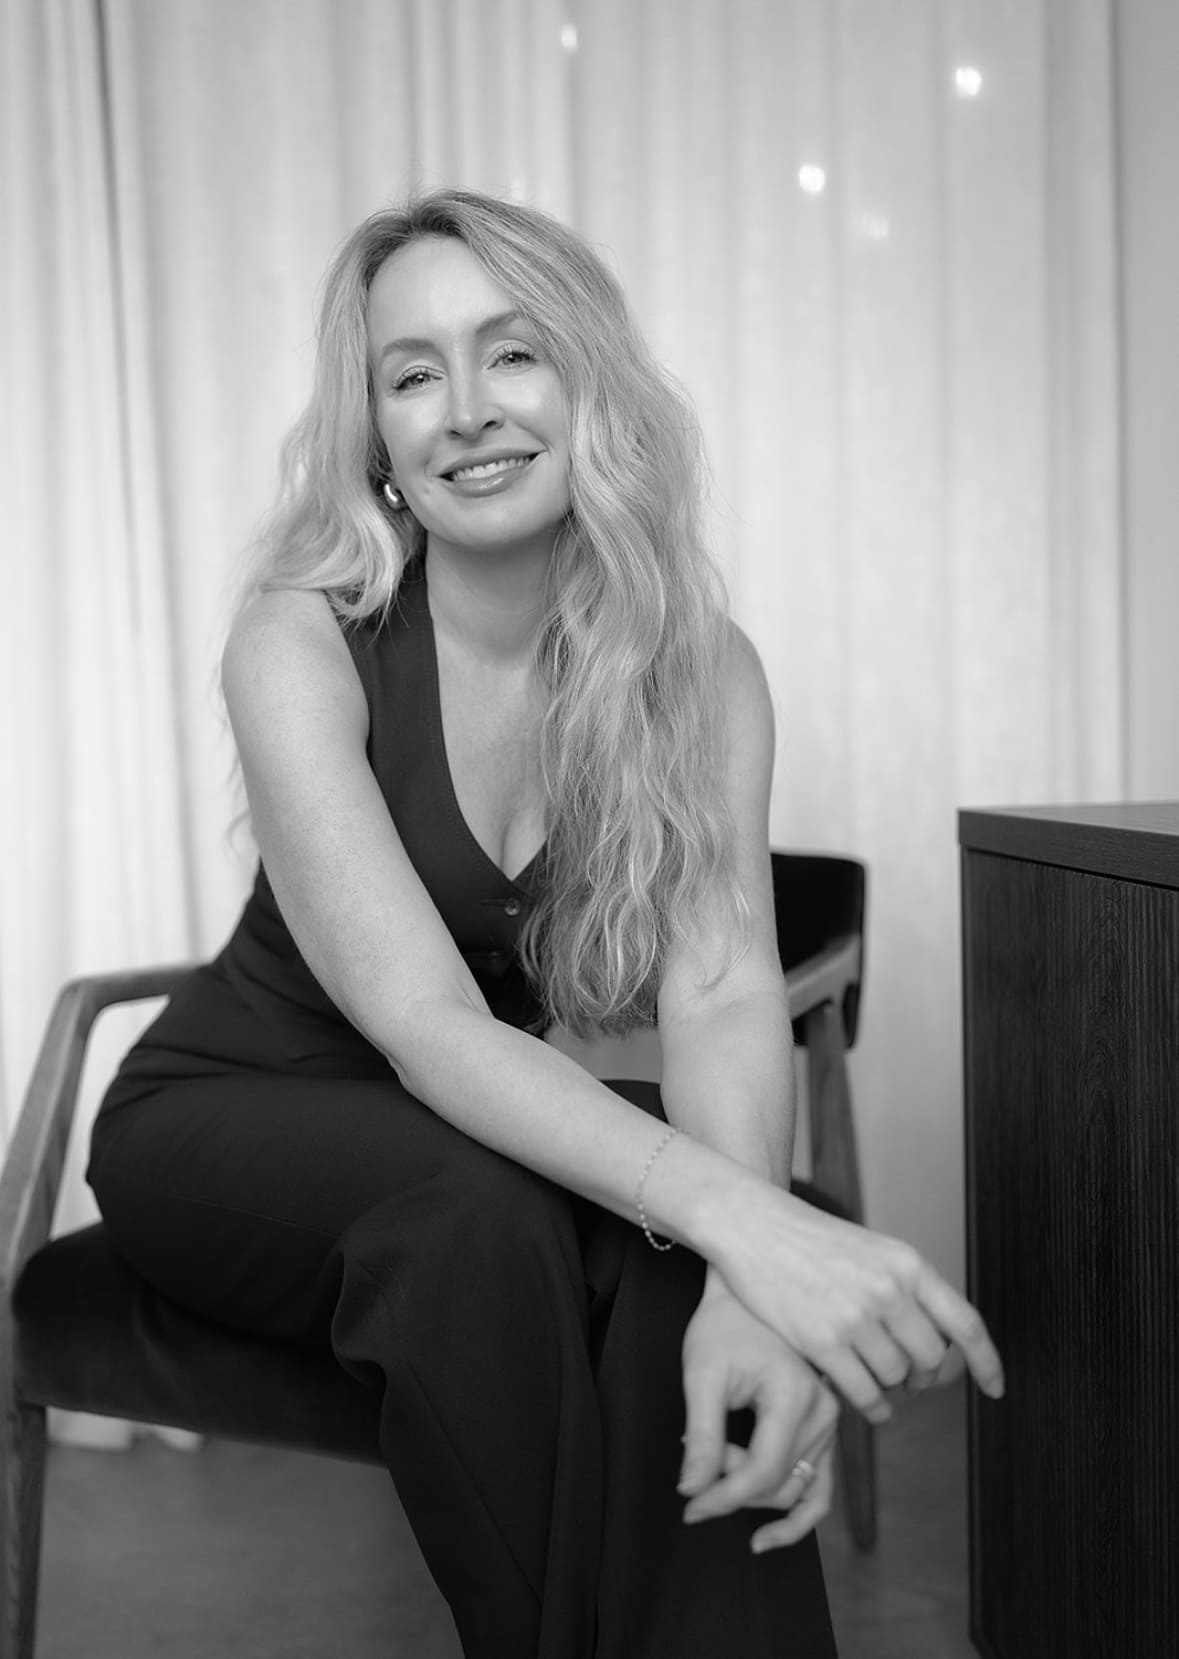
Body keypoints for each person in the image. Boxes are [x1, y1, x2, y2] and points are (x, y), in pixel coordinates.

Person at [86, 188, 1003, 1659]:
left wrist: (741, 1271)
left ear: (590, 385)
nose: (465, 410)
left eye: (511, 354)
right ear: (374, 436)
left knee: (668, 1250)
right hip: (231, 1115)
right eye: (411, 374)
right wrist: (753, 1222)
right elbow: (428, 1024)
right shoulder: (303, 634)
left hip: (459, 1122)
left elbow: (715, 997)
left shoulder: (699, 672)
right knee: (495, 1219)